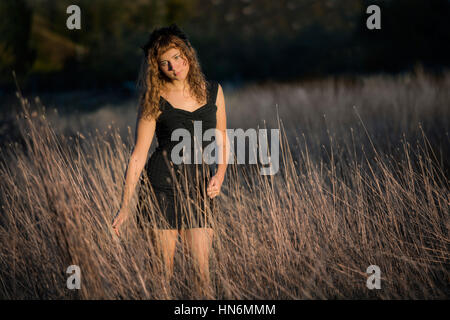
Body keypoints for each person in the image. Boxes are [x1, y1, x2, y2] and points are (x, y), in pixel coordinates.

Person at [111, 24, 228, 297]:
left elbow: (222, 139)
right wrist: (125, 206)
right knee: (162, 276)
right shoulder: (153, 97)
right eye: (165, 63)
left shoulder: (214, 91)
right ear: (157, 68)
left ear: (187, 54)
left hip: (199, 187)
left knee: (203, 276)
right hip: (160, 188)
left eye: (177, 57)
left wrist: (220, 174)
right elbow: (139, 154)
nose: (174, 66)